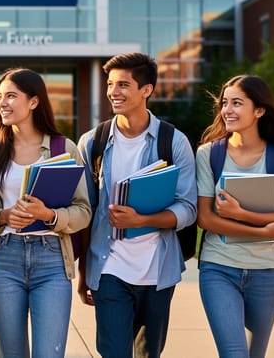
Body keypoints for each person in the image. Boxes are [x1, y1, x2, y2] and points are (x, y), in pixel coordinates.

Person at [76, 52, 197, 358]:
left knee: (148, 355)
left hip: (158, 271)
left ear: (146, 90)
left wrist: (142, 220)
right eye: (110, 84)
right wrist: (83, 274)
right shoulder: (93, 142)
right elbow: (84, 211)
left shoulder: (174, 142)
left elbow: (188, 208)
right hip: (108, 270)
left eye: (123, 85)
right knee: (113, 352)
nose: (113, 92)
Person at [0, 68, 91, 358]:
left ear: (34, 102)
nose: (3, 103)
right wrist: (4, 216)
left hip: (51, 261)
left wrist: (49, 215)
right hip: (3, 260)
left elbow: (83, 211)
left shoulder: (64, 149)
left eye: (11, 96)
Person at [195, 74, 274, 358]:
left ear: (259, 110)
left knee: (254, 354)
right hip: (218, 267)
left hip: (266, 272)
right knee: (235, 353)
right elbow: (205, 219)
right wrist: (263, 230)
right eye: (225, 103)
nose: (228, 110)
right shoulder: (209, 155)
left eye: (237, 103)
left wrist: (241, 214)